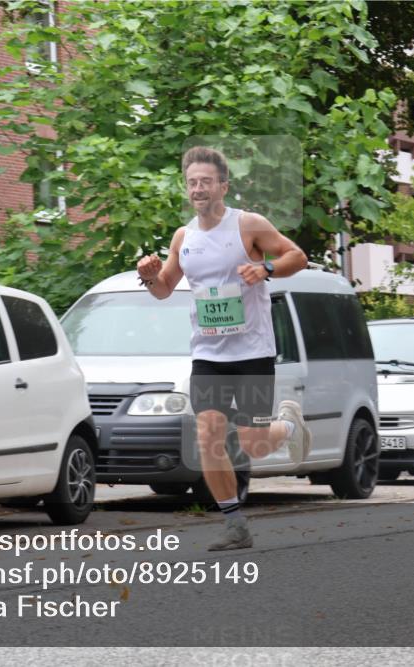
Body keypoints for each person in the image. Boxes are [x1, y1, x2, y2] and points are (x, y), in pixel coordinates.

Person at [137, 146, 311, 551]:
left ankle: (288, 427)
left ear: (223, 186)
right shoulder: (184, 237)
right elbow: (164, 289)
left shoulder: (247, 225)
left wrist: (265, 267)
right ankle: (235, 525)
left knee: (251, 443)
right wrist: (149, 277)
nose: (199, 188)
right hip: (208, 354)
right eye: (192, 182)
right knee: (209, 435)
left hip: (252, 351)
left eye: (206, 181)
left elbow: (296, 256)